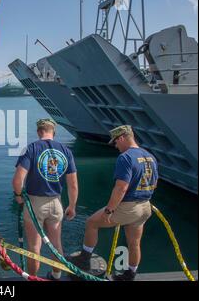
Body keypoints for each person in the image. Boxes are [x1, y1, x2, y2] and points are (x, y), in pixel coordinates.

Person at [68, 125, 158, 281]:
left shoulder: (126, 157)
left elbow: (121, 188)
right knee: (134, 243)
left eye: (116, 142)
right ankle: (130, 275)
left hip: (129, 207)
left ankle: (84, 258)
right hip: (145, 206)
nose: (116, 146)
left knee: (91, 223)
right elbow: (154, 183)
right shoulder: (150, 156)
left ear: (122, 137)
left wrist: (109, 211)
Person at [12, 119, 78, 280]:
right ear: (53, 132)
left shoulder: (31, 148)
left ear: (38, 132)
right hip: (56, 203)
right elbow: (73, 185)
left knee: (35, 247)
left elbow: (17, 181)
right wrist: (72, 206)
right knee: (56, 245)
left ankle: (33, 278)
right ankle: (56, 275)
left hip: (35, 204)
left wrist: (19, 195)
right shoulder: (66, 151)